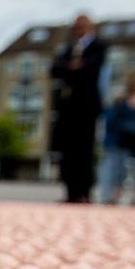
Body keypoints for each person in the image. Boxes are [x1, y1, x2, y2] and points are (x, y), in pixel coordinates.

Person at [51, 14, 108, 203]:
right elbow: (54, 70)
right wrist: (73, 67)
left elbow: (90, 69)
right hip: (68, 109)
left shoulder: (98, 46)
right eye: (75, 27)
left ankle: (85, 191)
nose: (78, 30)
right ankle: (70, 191)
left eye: (81, 26)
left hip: (87, 108)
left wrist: (72, 68)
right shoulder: (68, 49)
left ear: (90, 27)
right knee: (67, 151)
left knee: (86, 150)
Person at [98, 70, 135, 205]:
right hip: (123, 139)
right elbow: (112, 119)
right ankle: (115, 195)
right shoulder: (122, 100)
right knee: (119, 169)